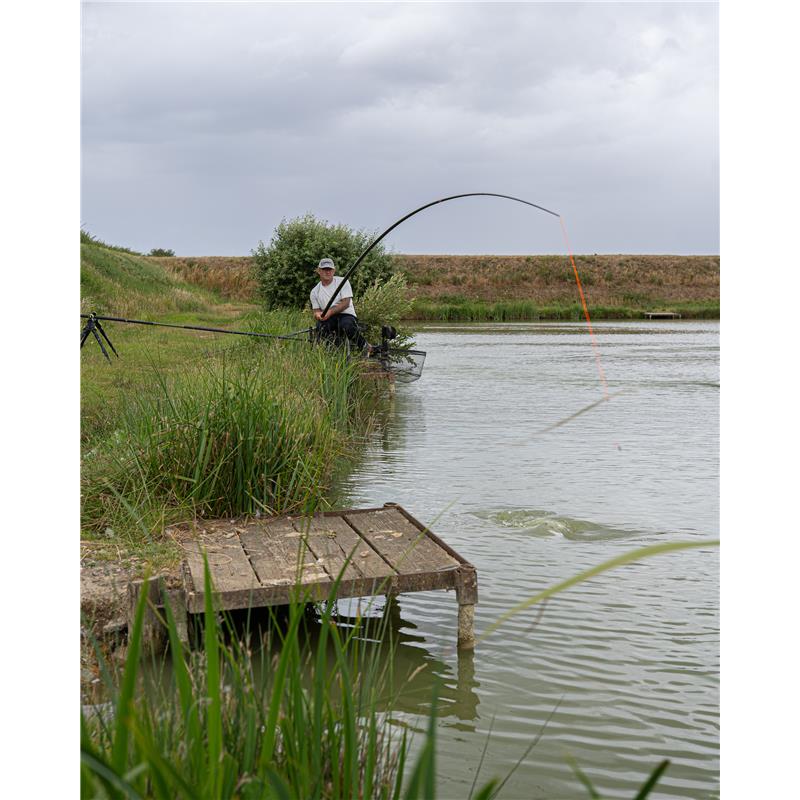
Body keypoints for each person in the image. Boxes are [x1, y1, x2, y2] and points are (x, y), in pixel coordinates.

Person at [310, 257, 372, 352]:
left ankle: (365, 346)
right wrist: (318, 315)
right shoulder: (314, 291)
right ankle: (330, 351)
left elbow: (346, 303)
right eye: (324, 269)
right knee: (320, 326)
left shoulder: (343, 281)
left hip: (346, 315)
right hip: (328, 318)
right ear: (319, 271)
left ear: (334, 271)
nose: (327, 272)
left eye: (330, 269)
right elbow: (316, 311)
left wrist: (330, 312)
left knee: (346, 325)